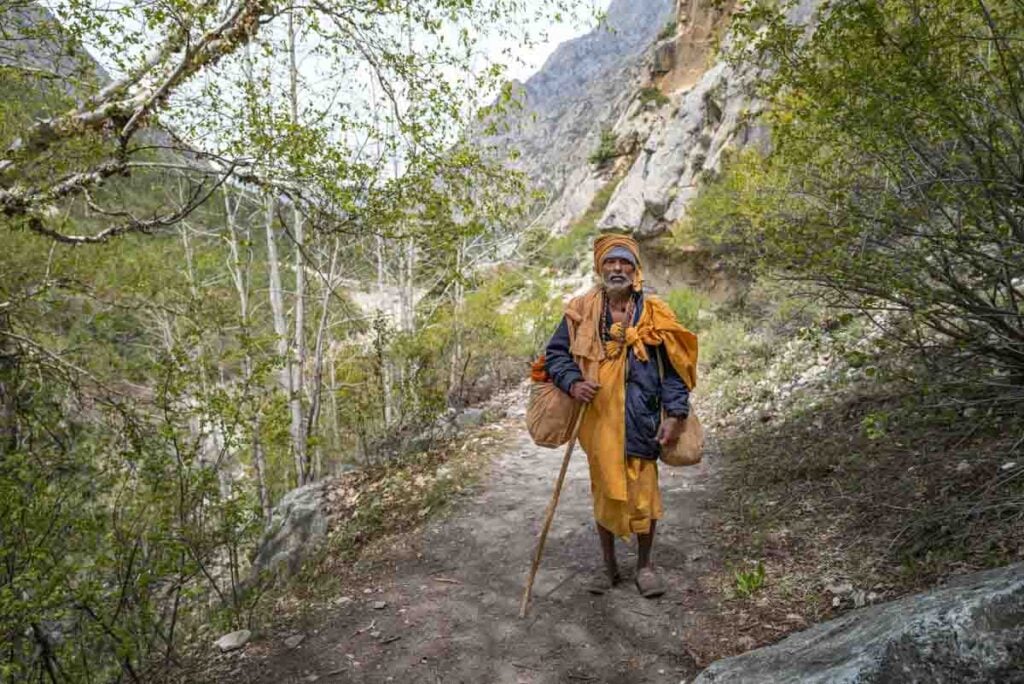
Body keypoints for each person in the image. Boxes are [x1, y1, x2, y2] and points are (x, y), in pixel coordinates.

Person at [544, 234, 698, 598]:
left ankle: (645, 566)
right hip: (598, 421)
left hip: (643, 417)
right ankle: (609, 566)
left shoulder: (654, 312)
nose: (617, 268)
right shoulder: (581, 309)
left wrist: (675, 414)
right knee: (604, 494)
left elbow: (675, 368)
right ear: (600, 267)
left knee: (645, 494)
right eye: (610, 262)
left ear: (635, 268)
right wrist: (573, 383)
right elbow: (556, 356)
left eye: (624, 262)